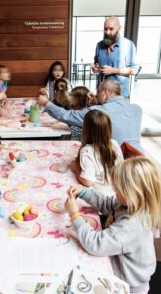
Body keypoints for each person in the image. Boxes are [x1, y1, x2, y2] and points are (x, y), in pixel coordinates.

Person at [65, 157, 161, 294]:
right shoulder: (132, 204)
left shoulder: (132, 225)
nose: (114, 193)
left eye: (117, 190)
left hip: (127, 285)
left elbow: (95, 244)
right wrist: (84, 192)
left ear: (132, 193)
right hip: (126, 268)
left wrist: (74, 215)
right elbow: (107, 203)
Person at [38, 79, 143, 152]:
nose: (96, 95)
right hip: (139, 157)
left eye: (97, 92)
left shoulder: (98, 111)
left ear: (104, 92)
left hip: (115, 161)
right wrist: (96, 103)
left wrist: (47, 103)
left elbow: (67, 115)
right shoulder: (137, 109)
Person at [71, 110, 123, 196]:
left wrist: (76, 169)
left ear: (86, 130)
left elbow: (88, 182)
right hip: (118, 192)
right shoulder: (115, 144)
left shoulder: (87, 150)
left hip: (101, 197)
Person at [93, 16, 139, 98]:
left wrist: (113, 70)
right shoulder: (99, 45)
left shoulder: (128, 46)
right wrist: (95, 68)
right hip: (101, 95)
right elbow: (96, 64)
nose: (107, 32)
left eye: (111, 29)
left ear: (119, 28)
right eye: (105, 29)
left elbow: (135, 70)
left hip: (120, 96)